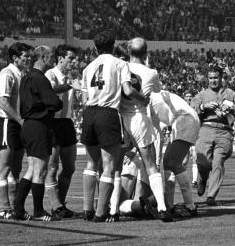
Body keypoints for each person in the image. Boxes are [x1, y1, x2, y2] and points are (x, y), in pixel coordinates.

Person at [80, 31, 146, 222]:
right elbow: (127, 90)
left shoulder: (88, 67)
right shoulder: (120, 64)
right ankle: (101, 212)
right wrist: (143, 99)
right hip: (108, 114)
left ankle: (87, 209)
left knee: (91, 164)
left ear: (95, 47)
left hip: (89, 113)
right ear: (113, 45)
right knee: (109, 166)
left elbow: (84, 99)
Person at [120, 37, 172, 222]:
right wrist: (148, 66)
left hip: (119, 118)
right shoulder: (151, 73)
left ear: (128, 50)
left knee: (112, 166)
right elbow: (157, 92)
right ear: (145, 53)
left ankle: (110, 208)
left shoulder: (119, 66)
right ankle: (162, 207)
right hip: (139, 118)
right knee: (151, 166)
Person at [14, 45, 64, 221]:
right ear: (42, 57)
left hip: (28, 125)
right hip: (40, 125)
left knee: (31, 170)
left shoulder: (26, 77)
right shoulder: (40, 78)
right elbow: (54, 103)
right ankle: (38, 211)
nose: (54, 59)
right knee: (40, 171)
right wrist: (57, 103)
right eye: (51, 56)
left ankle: (18, 209)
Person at [191, 63, 235, 206]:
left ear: (221, 77)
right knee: (203, 161)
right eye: (210, 78)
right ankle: (203, 178)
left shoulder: (231, 94)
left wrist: (233, 109)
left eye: (216, 78)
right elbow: (191, 110)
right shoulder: (202, 95)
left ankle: (211, 196)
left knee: (218, 162)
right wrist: (204, 107)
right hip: (206, 129)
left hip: (224, 131)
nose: (213, 81)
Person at [0, 42, 33, 220]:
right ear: (16, 58)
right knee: (5, 167)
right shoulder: (7, 74)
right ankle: (4, 208)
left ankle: (16, 208)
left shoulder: (21, 74)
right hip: (7, 122)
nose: (29, 59)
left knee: (16, 168)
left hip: (16, 123)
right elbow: (3, 103)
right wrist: (21, 120)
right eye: (25, 57)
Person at [44, 44, 82, 219]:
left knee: (70, 167)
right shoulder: (51, 74)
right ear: (60, 58)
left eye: (74, 58)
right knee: (52, 167)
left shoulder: (72, 76)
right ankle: (57, 206)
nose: (73, 62)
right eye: (70, 58)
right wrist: (70, 86)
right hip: (52, 122)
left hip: (67, 123)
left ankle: (61, 204)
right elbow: (51, 89)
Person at [150, 89, 201, 217]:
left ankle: (190, 206)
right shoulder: (153, 95)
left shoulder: (146, 99)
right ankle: (170, 205)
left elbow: (152, 129)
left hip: (184, 119)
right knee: (168, 163)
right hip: (182, 120)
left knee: (172, 162)